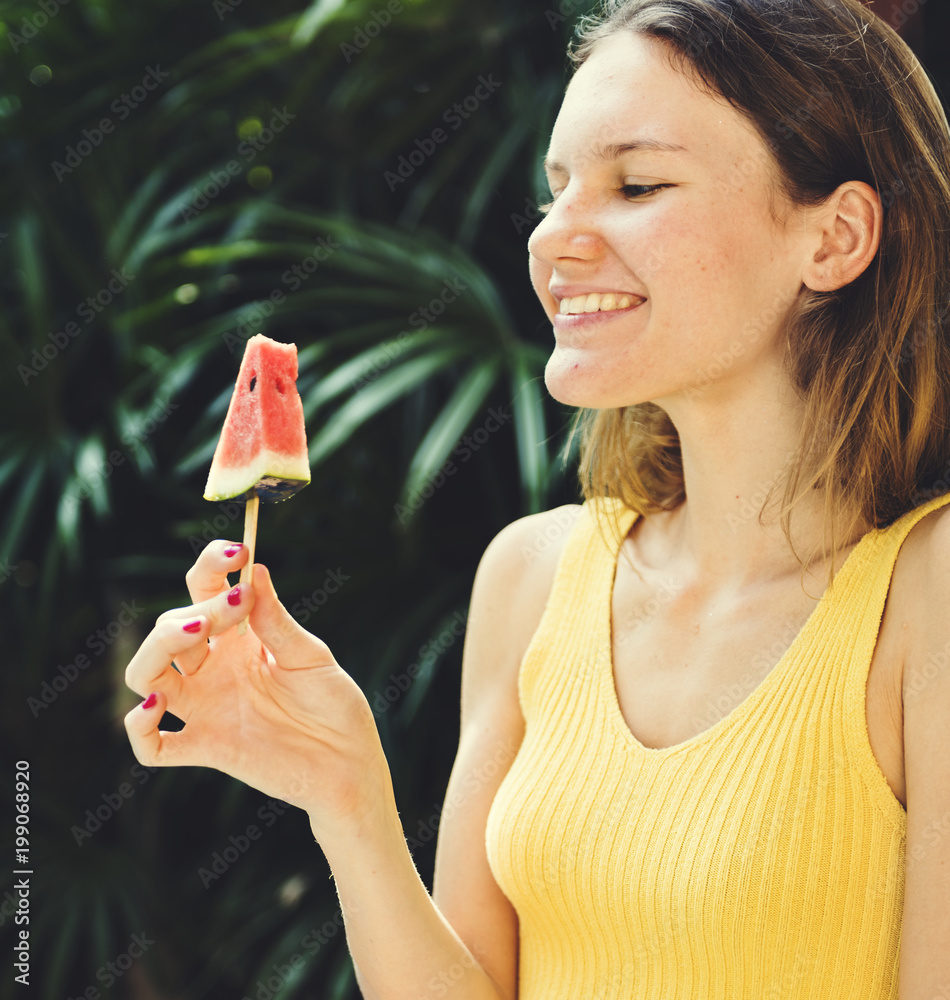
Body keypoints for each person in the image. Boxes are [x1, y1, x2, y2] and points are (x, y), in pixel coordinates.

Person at [124, 0, 950, 996]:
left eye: (635, 183)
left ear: (834, 238)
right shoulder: (530, 574)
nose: (552, 238)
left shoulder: (926, 595)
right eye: (555, 190)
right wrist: (342, 792)